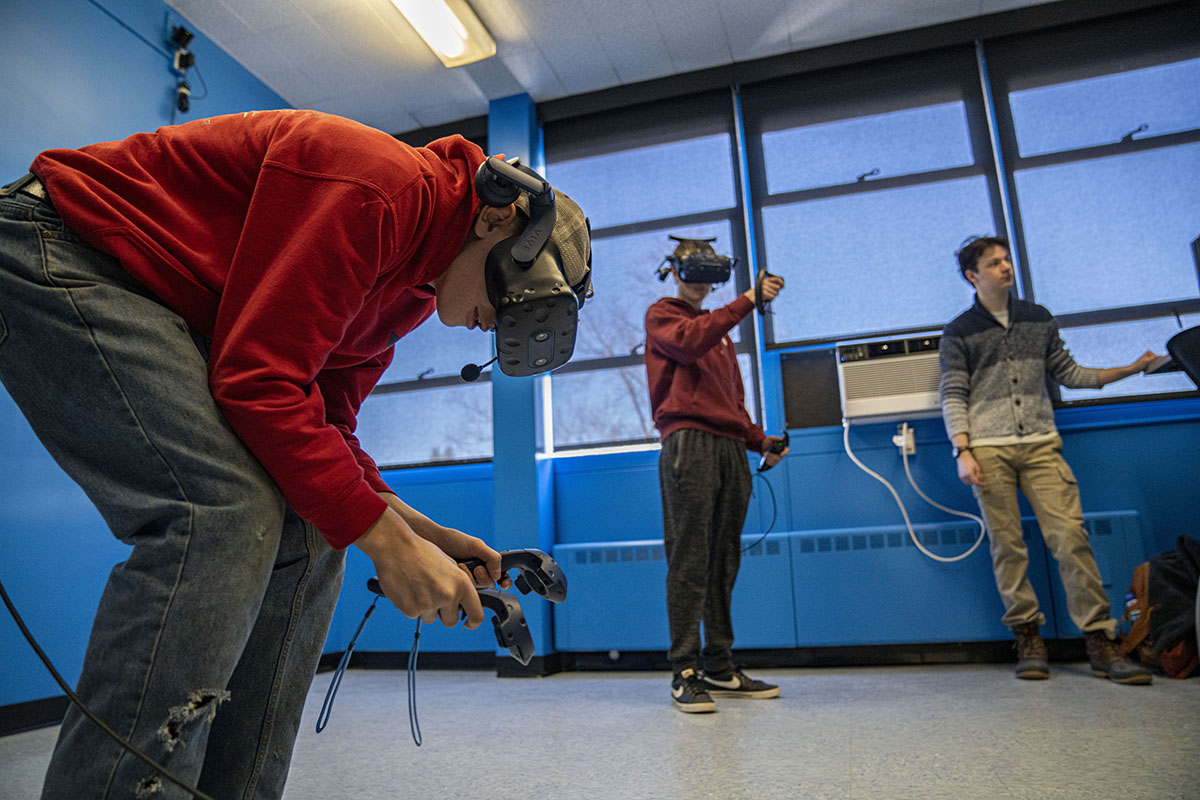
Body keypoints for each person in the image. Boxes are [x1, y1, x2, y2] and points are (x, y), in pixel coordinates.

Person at [0, 108, 592, 799]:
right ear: (496, 220)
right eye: (508, 299)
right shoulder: (380, 190)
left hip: (156, 297)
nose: (495, 323)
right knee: (222, 509)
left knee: (314, 526)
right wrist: (390, 550)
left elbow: (326, 431)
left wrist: (419, 533)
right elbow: (258, 383)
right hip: (63, 244)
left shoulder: (403, 297)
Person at [938, 235, 1158, 685]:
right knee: (1007, 547)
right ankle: (1027, 637)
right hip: (987, 449)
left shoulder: (1038, 319)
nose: (1005, 268)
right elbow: (953, 393)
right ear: (971, 276)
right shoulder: (959, 331)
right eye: (993, 263)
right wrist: (963, 449)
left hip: (1040, 444)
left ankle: (1099, 640)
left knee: (1069, 538)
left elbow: (1072, 374)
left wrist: (1133, 368)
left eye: (1006, 260)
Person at [643, 236, 788, 713]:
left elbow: (731, 406)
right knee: (689, 560)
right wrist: (747, 299)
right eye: (696, 264)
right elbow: (688, 344)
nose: (704, 275)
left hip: (729, 449)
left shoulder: (720, 335)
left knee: (723, 561)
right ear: (678, 269)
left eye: (712, 266)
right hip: (689, 446)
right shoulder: (664, 316)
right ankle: (683, 669)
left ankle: (720, 666)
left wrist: (759, 440)